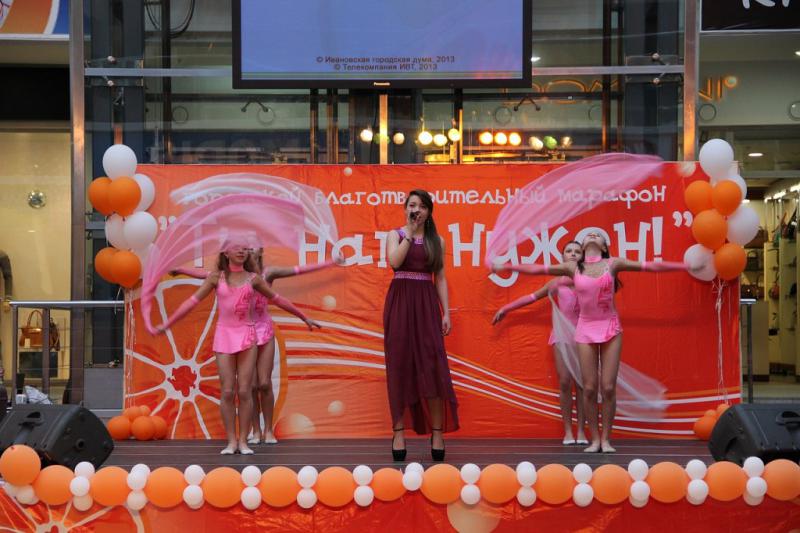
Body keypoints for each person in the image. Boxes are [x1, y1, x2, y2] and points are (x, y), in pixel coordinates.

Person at [494, 232, 693, 453]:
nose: (592, 235)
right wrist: (508, 267)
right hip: (585, 329)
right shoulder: (572, 269)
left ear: (604, 247)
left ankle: (606, 440)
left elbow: (651, 266)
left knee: (607, 387)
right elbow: (537, 269)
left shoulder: (613, 263)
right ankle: (595, 440)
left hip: (610, 327)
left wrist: (684, 266)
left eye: (597, 235)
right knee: (588, 388)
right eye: (588, 235)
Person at [154, 239, 313, 455]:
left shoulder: (254, 279)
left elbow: (278, 299)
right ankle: (231, 442)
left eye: (244, 248)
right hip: (224, 336)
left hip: (247, 336)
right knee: (228, 391)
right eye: (236, 247)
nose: (241, 250)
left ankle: (244, 441)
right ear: (225, 252)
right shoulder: (215, 278)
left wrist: (304, 317)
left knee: (245, 390)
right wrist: (167, 323)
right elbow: (191, 302)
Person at [384, 189, 458, 462]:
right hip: (400, 303)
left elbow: (440, 278)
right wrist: (411, 233)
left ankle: (437, 433)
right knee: (399, 367)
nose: (416, 210)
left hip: (426, 305)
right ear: (406, 209)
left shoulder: (437, 241)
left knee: (432, 368)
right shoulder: (395, 235)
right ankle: (398, 433)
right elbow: (394, 262)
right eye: (412, 205)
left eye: (422, 206)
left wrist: (445, 312)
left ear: (429, 212)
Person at [492, 241, 587, 445]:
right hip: (562, 337)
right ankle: (568, 431)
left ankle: (581, 431)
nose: (573, 254)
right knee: (565, 382)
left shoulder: (590, 282)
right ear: (562, 257)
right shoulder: (556, 283)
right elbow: (531, 297)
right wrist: (505, 308)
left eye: (577, 251)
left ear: (583, 257)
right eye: (569, 251)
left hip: (585, 337)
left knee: (582, 385)